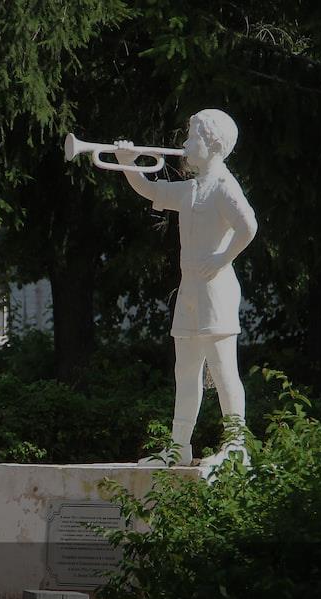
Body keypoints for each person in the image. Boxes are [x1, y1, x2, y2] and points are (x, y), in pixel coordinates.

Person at [113, 109, 258, 469]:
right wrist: (128, 164)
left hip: (215, 289)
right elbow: (151, 189)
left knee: (223, 370)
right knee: (186, 371)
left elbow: (248, 226)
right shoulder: (193, 189)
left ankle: (236, 446)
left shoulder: (223, 186)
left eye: (193, 137)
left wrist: (222, 258)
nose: (186, 144)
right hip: (191, 288)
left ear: (213, 144)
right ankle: (179, 447)